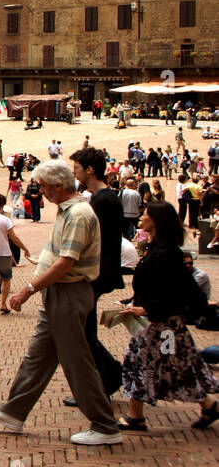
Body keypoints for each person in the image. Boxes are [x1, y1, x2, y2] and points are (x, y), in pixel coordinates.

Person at [0, 159, 124, 445]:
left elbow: (66, 262)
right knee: (38, 357)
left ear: (58, 186)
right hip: (58, 293)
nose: (40, 191)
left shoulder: (78, 214)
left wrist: (28, 290)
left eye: (43, 186)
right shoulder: (68, 211)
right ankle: (13, 412)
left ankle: (105, 426)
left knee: (77, 362)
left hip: (68, 293)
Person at [116, 203, 219, 432]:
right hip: (164, 324)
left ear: (157, 221)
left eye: (146, 214)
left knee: (141, 363)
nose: (141, 217)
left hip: (159, 324)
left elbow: (173, 291)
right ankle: (209, 404)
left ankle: (136, 416)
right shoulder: (158, 249)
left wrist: (146, 309)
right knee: (178, 364)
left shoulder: (166, 254)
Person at [67, 147, 127, 405]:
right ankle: (109, 376)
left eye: (78, 169)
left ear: (90, 169)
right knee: (85, 330)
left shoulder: (104, 200)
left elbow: (97, 241)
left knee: (84, 332)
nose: (75, 174)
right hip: (100, 271)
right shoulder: (103, 197)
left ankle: (104, 381)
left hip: (97, 273)